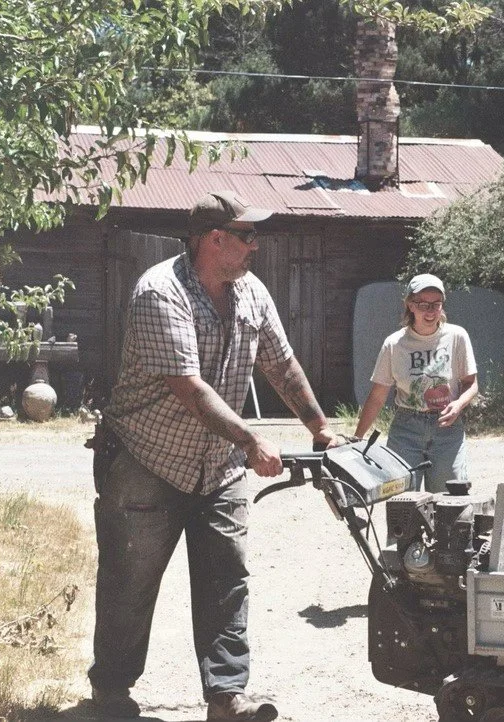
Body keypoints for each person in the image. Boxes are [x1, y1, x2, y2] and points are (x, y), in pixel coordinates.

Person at [89, 190, 341, 721]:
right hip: (146, 460)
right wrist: (251, 441)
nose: (256, 246)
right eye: (247, 236)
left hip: (217, 467)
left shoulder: (251, 292)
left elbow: (282, 364)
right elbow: (190, 388)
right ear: (215, 238)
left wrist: (321, 428)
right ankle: (111, 691)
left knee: (227, 580)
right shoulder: (161, 292)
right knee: (129, 582)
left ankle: (227, 698)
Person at [354, 273, 478, 492]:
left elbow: (471, 383)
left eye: (436, 304)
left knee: (449, 501)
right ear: (410, 305)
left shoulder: (457, 337)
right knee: (402, 505)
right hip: (406, 429)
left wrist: (458, 405)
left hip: (447, 429)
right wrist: (357, 438)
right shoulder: (394, 344)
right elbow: (377, 396)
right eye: (423, 304)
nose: (430, 311)